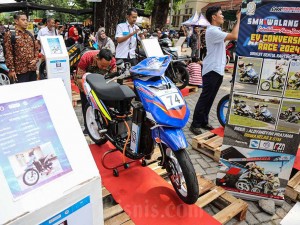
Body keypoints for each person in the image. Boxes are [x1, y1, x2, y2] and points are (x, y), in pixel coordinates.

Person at [189, 6, 241, 135]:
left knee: (211, 98)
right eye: (221, 14)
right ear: (214, 17)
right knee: (205, 97)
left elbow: (231, 37)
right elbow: (234, 35)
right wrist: (239, 19)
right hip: (212, 69)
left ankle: (204, 121)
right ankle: (195, 124)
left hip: (217, 69)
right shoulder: (212, 31)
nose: (223, 16)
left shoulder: (217, 30)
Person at [74, 49, 116, 134]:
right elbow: (79, 78)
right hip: (85, 79)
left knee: (105, 102)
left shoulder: (112, 61)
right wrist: (87, 93)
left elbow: (113, 79)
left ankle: (106, 124)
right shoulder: (86, 58)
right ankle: (87, 127)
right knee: (86, 103)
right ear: (97, 58)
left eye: (106, 66)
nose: (104, 68)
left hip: (102, 79)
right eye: (102, 65)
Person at [4, 12, 39, 83]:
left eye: (26, 20)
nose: (26, 22)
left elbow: (36, 49)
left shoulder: (29, 34)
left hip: (32, 70)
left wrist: (36, 59)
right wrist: (12, 70)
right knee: (22, 92)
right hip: (19, 72)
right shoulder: (10, 34)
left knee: (34, 91)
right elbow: (8, 53)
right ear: (16, 21)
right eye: (23, 20)